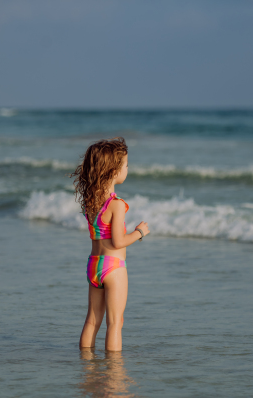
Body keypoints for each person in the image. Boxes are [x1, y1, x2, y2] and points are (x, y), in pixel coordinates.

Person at [71, 137, 150, 351]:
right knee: (115, 323)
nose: (127, 169)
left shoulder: (91, 201)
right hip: (113, 268)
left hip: (94, 265)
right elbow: (118, 241)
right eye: (126, 165)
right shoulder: (116, 205)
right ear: (114, 171)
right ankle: (113, 372)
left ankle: (86, 366)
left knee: (92, 321)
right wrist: (139, 232)